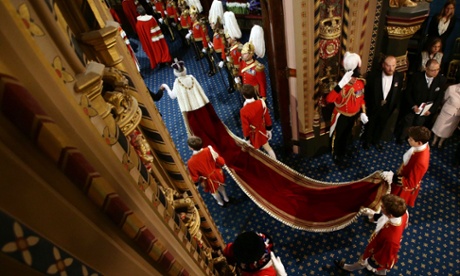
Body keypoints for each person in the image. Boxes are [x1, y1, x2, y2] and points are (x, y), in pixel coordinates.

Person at [335, 194, 409, 275]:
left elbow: (385, 255)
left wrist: (373, 261)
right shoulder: (403, 212)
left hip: (378, 250)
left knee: (363, 262)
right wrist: (372, 214)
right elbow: (385, 217)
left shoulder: (391, 239)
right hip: (381, 242)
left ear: (391, 215)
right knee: (381, 270)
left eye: (383, 207)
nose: (381, 206)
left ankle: (348, 268)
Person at [325, 52, 368, 165]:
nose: (355, 78)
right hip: (341, 115)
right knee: (338, 136)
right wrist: (340, 85)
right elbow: (329, 100)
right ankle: (337, 154)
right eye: (352, 76)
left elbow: (361, 99)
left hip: (354, 115)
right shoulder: (340, 86)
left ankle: (344, 151)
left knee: (348, 135)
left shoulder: (360, 84)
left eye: (356, 76)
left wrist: (363, 112)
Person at [396, 59, 447, 142]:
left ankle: (413, 139)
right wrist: (413, 105)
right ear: (426, 68)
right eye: (433, 70)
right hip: (413, 106)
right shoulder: (416, 77)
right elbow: (408, 93)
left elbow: (439, 98)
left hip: (426, 110)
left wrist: (431, 110)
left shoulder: (441, 80)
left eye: (438, 69)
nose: (436, 72)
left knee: (419, 124)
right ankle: (402, 138)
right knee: (408, 122)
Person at [363, 55, 403, 150]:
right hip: (374, 106)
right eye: (388, 66)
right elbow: (367, 92)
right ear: (383, 65)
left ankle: (376, 141)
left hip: (388, 107)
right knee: (370, 124)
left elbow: (398, 93)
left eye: (393, 66)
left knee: (381, 125)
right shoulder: (373, 76)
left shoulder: (399, 77)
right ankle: (367, 141)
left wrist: (394, 106)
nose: (391, 68)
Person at [161, 59, 209, 134]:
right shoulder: (191, 77)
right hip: (201, 105)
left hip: (189, 109)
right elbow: (200, 90)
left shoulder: (177, 82)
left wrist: (166, 86)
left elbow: (172, 96)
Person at [391, 126, 431, 207]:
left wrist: (394, 178)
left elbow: (411, 183)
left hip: (403, 187)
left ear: (419, 143)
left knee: (393, 205)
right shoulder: (422, 146)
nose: (408, 140)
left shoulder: (421, 162)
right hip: (404, 174)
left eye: (411, 139)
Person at [187, 136, 229, 207]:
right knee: (220, 186)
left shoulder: (190, 162)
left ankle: (220, 202)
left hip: (208, 180)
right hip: (216, 173)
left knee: (214, 192)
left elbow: (195, 177)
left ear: (191, 148)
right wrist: (222, 165)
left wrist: (196, 183)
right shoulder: (209, 149)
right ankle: (226, 198)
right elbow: (218, 160)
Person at [240, 84, 276, 159]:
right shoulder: (261, 102)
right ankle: (276, 163)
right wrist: (269, 129)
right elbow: (267, 117)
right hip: (262, 129)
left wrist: (247, 139)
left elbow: (245, 127)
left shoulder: (243, 111)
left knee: (255, 152)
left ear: (244, 96)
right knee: (268, 148)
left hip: (253, 134)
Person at [239, 25, 267, 99]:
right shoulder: (243, 62)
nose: (242, 55)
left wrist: (263, 96)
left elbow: (262, 83)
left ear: (251, 54)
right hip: (245, 90)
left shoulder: (257, 67)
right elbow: (242, 74)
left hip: (254, 92)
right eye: (243, 53)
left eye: (245, 54)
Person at [431, 83, 460, 148]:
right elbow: (444, 99)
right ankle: (434, 140)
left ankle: (441, 142)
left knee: (448, 130)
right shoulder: (452, 88)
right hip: (446, 112)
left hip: (457, 115)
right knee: (439, 127)